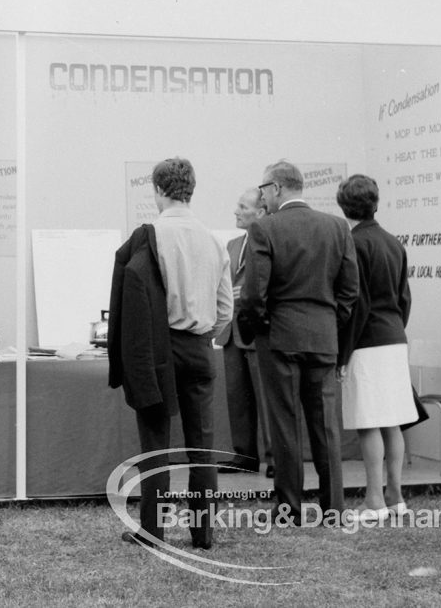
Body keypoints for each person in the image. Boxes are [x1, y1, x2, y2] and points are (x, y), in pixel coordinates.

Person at [109, 158, 232, 549]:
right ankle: (204, 533)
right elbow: (226, 309)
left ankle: (153, 532)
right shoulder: (214, 239)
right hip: (199, 349)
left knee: (156, 444)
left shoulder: (151, 236)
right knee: (202, 445)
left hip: (159, 349)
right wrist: (203, 331)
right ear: (191, 190)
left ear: (158, 191)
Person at [239, 160, 359, 525]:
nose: (262, 196)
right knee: (326, 426)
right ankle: (333, 507)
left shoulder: (264, 228)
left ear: (276, 188)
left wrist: (264, 326)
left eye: (262, 190)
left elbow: (254, 294)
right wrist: (326, 323)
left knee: (285, 423)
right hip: (323, 338)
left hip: (279, 339)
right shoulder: (338, 227)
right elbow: (350, 291)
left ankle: (289, 509)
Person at [336, 174, 417, 520]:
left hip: (366, 342)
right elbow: (404, 298)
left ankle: (374, 501)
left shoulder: (353, 243)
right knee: (392, 421)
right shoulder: (394, 242)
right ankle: (395, 496)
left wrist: (343, 354)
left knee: (369, 421)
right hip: (395, 337)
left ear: (342, 206)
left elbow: (356, 304)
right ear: (376, 202)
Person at [216, 188, 274, 478]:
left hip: (258, 331)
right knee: (236, 396)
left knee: (267, 397)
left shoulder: (273, 242)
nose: (236, 211)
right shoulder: (231, 245)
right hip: (231, 332)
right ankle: (245, 455)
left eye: (242, 206)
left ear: (260, 212)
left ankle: (276, 458)